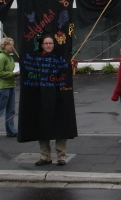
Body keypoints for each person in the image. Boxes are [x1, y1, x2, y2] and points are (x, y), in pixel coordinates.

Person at [34, 34, 68, 166]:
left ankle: (61, 156)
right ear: (42, 45)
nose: (48, 45)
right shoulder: (37, 59)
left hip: (58, 96)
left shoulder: (59, 58)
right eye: (46, 43)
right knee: (43, 126)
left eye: (51, 43)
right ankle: (45, 156)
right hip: (42, 97)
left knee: (60, 125)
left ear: (54, 45)